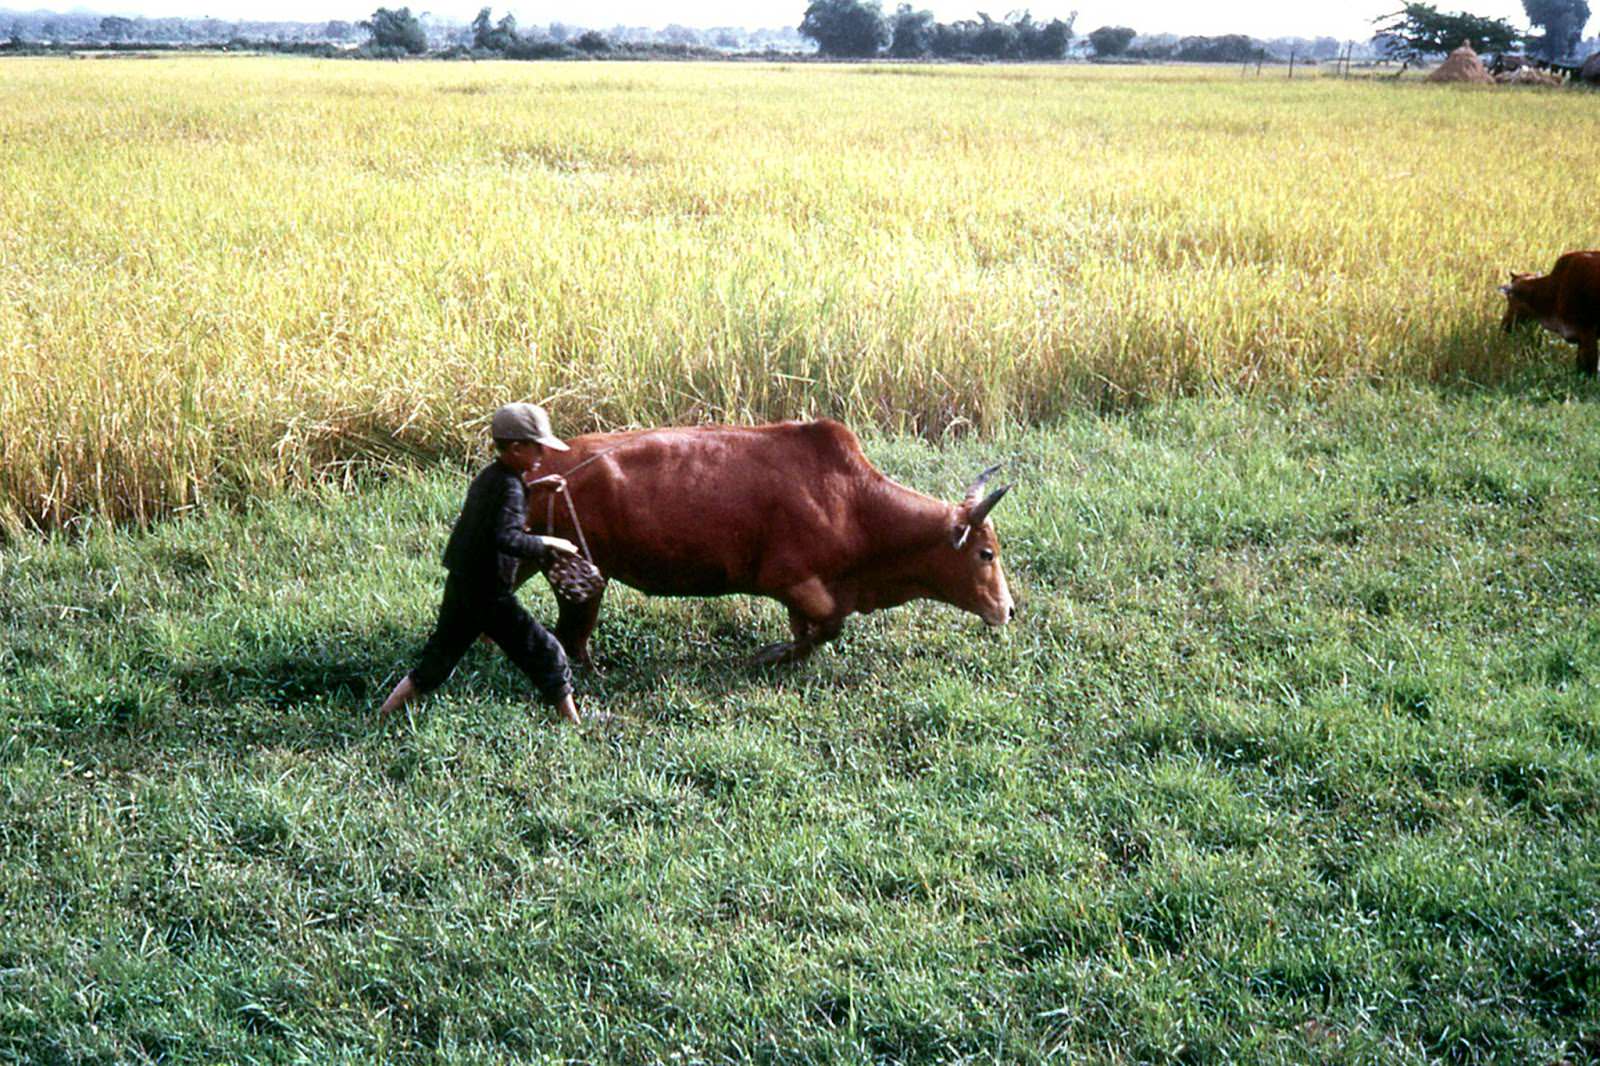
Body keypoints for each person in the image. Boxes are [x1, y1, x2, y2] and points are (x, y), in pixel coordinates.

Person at [377, 402, 585, 725]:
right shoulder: (511, 487)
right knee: (546, 651)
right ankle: (575, 725)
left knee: (438, 660)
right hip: (490, 594)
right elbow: (509, 538)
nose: (543, 457)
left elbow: (498, 509)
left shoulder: (493, 476)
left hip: (464, 584)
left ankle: (383, 715)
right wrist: (549, 543)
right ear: (516, 449)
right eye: (538, 449)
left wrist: (536, 487)